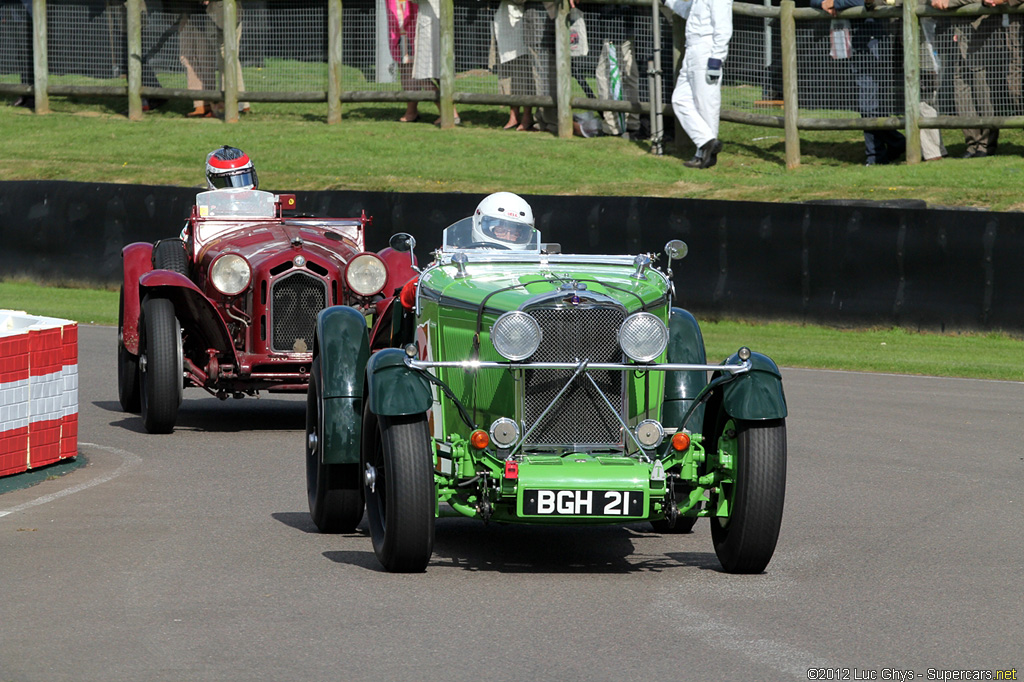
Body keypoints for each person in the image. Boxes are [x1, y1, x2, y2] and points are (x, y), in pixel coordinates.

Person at [814, 0, 906, 166]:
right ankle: (895, 143)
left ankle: (876, 156)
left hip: (872, 42)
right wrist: (823, 3)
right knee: (869, 103)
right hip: (851, 42)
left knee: (870, 103)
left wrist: (836, 3)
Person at [665, 0, 733, 169]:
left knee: (706, 106)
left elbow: (723, 29)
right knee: (680, 100)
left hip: (706, 51)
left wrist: (716, 59)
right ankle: (706, 143)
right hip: (692, 50)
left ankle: (704, 155)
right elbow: (689, 12)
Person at [931, 0, 1003, 158]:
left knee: (982, 91)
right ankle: (972, 143)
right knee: (961, 92)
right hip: (958, 37)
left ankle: (986, 144)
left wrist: (949, 2)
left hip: (981, 37)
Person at [412, 0, 460, 125]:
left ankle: (449, 113)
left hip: (431, 26)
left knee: (424, 75)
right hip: (434, 23)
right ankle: (449, 112)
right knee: (434, 74)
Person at [491, 0, 534, 130]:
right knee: (507, 70)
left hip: (523, 18)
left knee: (526, 70)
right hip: (502, 17)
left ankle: (527, 116)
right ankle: (513, 116)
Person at [387, 0, 421, 122]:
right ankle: (412, 109)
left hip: (406, 29)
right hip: (401, 29)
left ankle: (411, 111)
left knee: (408, 70)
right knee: (406, 70)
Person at [471, 191, 536, 249]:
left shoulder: (531, 261)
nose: (507, 238)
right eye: (500, 231)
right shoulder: (464, 259)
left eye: (515, 233)